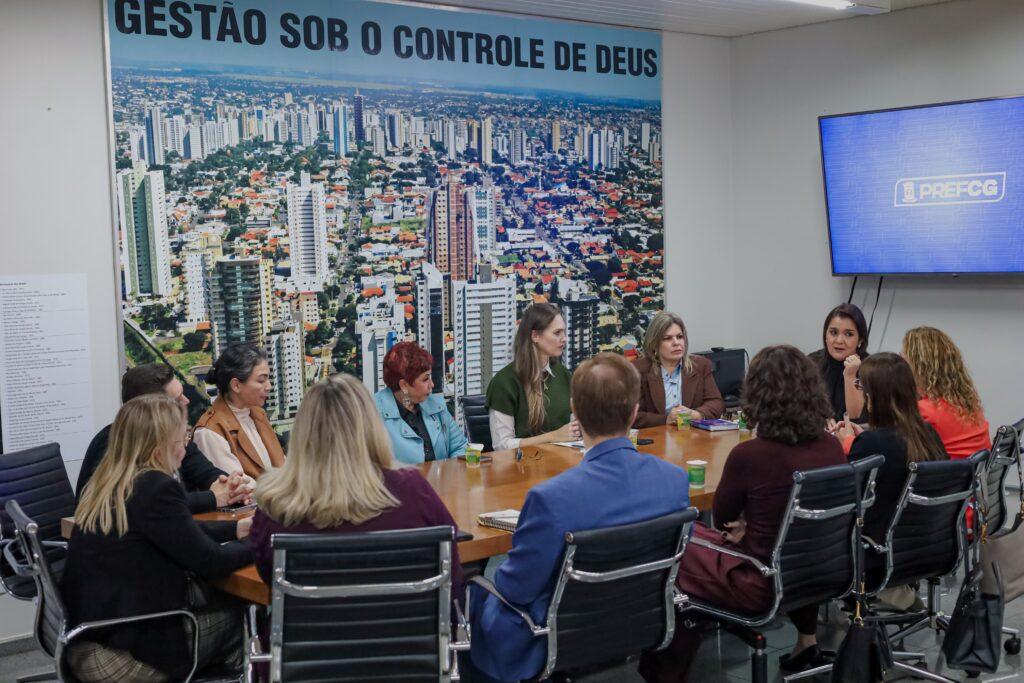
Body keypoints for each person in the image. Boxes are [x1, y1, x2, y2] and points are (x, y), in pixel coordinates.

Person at [470, 353, 691, 682]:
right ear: (634, 412)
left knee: (473, 595)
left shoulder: (551, 498)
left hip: (557, 636)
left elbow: (515, 588)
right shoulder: (675, 482)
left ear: (576, 411)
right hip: (640, 621)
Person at [640, 345, 845, 681]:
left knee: (674, 544)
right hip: (823, 569)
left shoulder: (750, 455)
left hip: (759, 581)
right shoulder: (831, 446)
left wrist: (749, 526)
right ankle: (806, 641)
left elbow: (723, 521)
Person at [62, 394, 253, 682]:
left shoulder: (110, 482)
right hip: (124, 659)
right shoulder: (155, 487)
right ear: (159, 447)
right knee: (247, 615)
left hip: (86, 641)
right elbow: (212, 562)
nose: (185, 446)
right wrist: (261, 540)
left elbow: (173, 531)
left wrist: (237, 530)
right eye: (182, 438)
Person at [249, 374, 463, 595]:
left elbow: (270, 581)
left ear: (302, 433)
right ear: (372, 427)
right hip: (410, 617)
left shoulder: (274, 505)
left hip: (311, 618)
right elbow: (452, 576)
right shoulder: (412, 490)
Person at [76, 363, 253, 513]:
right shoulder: (114, 443)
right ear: (150, 408)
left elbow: (205, 472)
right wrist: (213, 498)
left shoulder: (174, 437)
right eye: (177, 399)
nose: (186, 401)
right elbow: (147, 503)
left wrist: (232, 487)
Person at [837, 353, 949, 543]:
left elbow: (843, 501)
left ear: (871, 396)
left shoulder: (871, 444)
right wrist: (862, 439)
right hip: (928, 543)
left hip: (876, 545)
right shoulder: (928, 433)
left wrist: (846, 445)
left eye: (860, 386)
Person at [486, 303, 579, 451]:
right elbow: (502, 446)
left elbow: (573, 429)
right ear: (535, 336)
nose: (564, 339)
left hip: (564, 460)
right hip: (522, 464)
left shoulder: (563, 374)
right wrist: (553, 437)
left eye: (564, 332)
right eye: (557, 333)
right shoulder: (503, 383)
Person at [193, 343, 286, 478]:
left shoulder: (257, 413)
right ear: (236, 385)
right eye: (261, 380)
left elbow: (281, 463)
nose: (269, 386)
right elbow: (239, 486)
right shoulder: (209, 432)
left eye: (268, 379)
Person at [901, 326, 990, 459]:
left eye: (903, 358)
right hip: (975, 470)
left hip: (947, 471)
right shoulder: (968, 403)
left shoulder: (923, 410)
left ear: (919, 366)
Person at [373, 342, 468, 464]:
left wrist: (447, 472)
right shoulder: (373, 414)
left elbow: (460, 447)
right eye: (425, 379)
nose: (432, 384)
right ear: (404, 385)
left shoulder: (436, 405)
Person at [632, 311, 724, 427]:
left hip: (692, 435)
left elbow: (716, 403)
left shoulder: (700, 365)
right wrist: (666, 419)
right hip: (655, 436)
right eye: (667, 338)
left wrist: (696, 414)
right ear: (654, 344)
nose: (676, 343)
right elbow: (631, 414)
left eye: (679, 337)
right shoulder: (637, 370)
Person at [808, 303, 870, 423]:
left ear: (860, 340)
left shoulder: (871, 369)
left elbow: (857, 416)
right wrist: (819, 421)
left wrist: (850, 375)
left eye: (848, 334)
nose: (839, 340)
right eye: (833, 332)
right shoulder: (811, 363)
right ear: (825, 336)